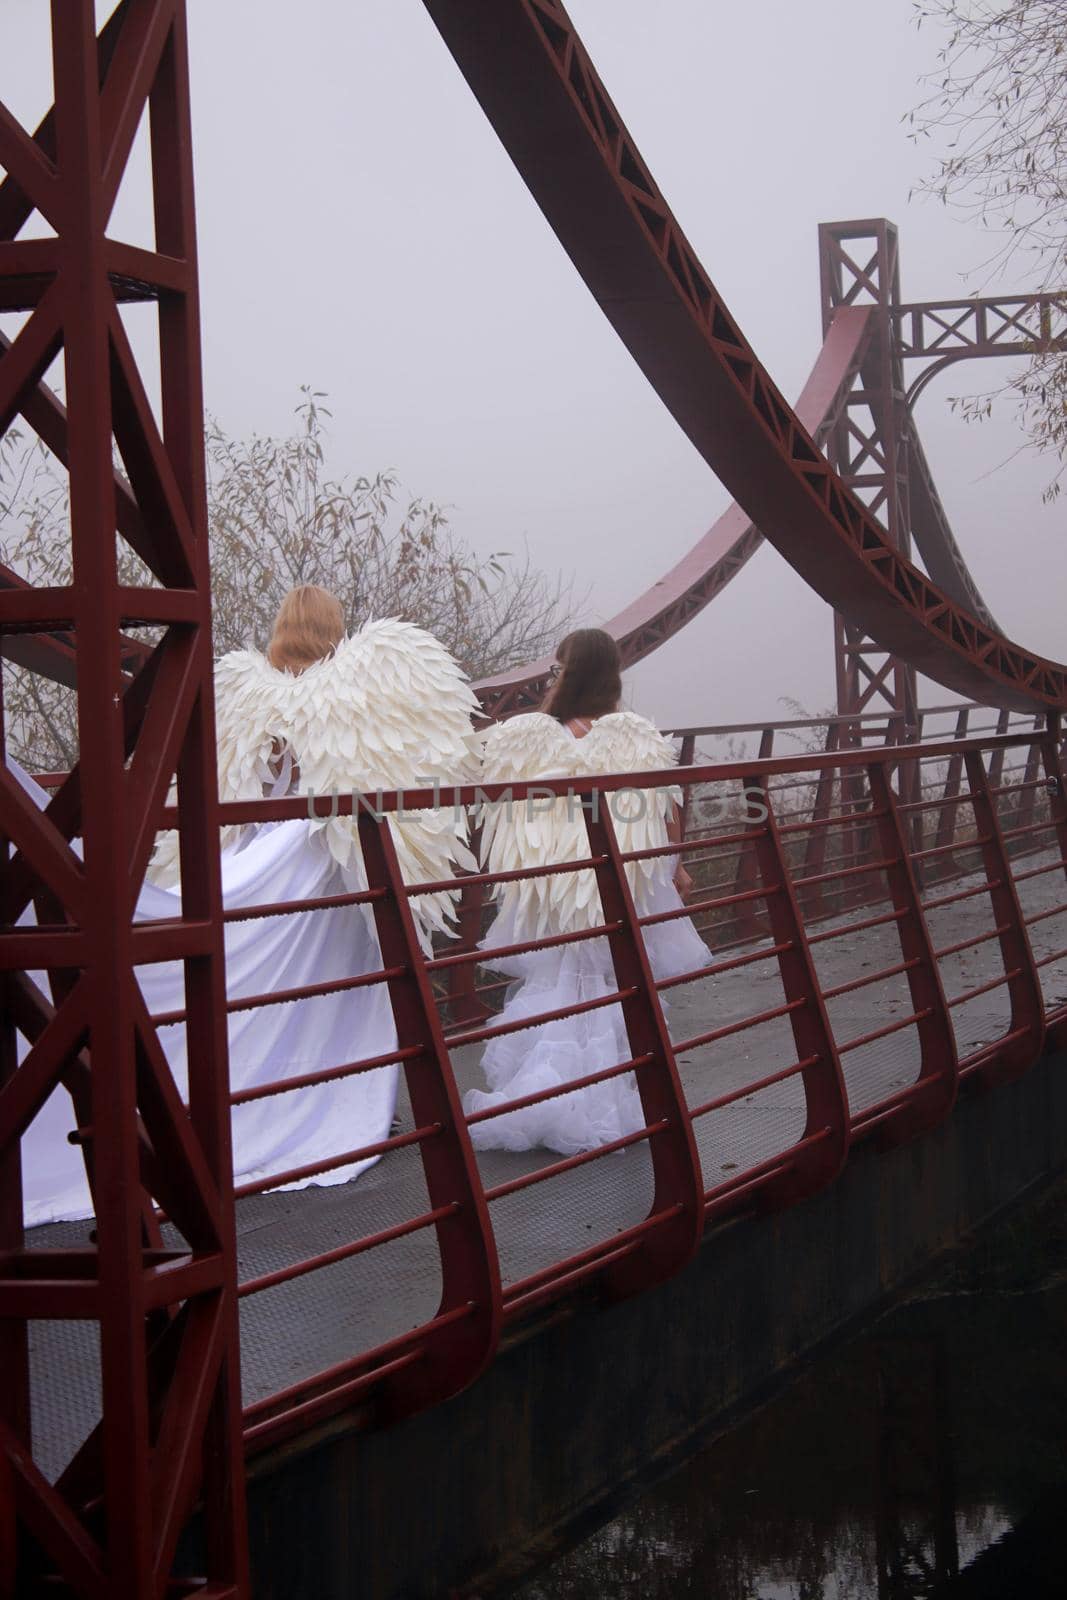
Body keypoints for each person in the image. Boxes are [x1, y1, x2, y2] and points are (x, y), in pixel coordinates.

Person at [21, 586, 479, 1225]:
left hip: (255, 847)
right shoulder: (362, 685)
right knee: (335, 982)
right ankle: (332, 1088)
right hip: (328, 859)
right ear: (334, 630)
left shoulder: (244, 694)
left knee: (222, 945)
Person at [463, 628, 707, 1156]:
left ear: (565, 675)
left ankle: (547, 1092)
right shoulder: (633, 735)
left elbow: (508, 806)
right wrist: (675, 868)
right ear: (612, 676)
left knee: (560, 981)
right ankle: (609, 1100)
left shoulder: (535, 736)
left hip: (557, 883)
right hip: (616, 880)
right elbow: (659, 806)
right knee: (613, 984)